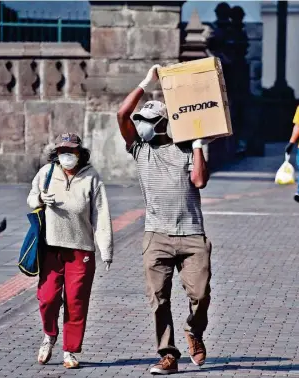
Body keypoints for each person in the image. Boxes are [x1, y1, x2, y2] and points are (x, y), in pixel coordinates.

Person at [117, 66, 213, 375]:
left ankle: (194, 332)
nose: (141, 125)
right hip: (156, 235)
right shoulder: (140, 149)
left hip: (191, 235)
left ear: (162, 123)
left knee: (200, 295)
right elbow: (122, 114)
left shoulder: (185, 149)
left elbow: (199, 181)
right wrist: (147, 82)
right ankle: (168, 354)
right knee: (159, 300)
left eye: (147, 121)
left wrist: (198, 144)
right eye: (140, 120)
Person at [27, 133, 113, 369]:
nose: (67, 155)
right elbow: (31, 197)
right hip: (51, 247)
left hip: (81, 249)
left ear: (80, 153)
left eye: (72, 151)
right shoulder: (46, 173)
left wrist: (106, 249)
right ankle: (49, 335)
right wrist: (40, 199)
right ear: (56, 153)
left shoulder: (91, 177)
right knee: (47, 298)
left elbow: (101, 214)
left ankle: (70, 350)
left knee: (76, 301)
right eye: (63, 151)